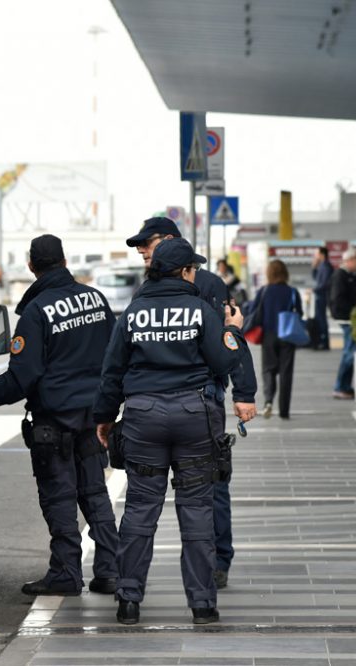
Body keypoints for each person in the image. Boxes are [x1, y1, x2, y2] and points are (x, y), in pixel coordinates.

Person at [94, 238, 249, 626]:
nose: (196, 275)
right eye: (193, 269)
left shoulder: (133, 313)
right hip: (194, 414)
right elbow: (223, 359)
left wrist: (105, 417)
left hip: (143, 416)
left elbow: (112, 370)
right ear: (183, 272)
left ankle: (128, 601)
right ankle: (202, 605)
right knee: (196, 510)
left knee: (140, 510)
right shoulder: (200, 310)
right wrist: (233, 330)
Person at [0, 235, 120, 596]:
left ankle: (66, 573)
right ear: (64, 262)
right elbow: (115, 357)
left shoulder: (37, 311)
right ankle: (110, 570)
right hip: (93, 416)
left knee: (60, 496)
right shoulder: (95, 299)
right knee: (95, 494)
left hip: (55, 421)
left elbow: (23, 376)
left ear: (32, 266)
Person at [126, 216, 257, 591]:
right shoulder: (146, 291)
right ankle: (194, 589)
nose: (141, 251)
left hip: (203, 398)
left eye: (146, 243)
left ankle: (218, 560)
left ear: (167, 241)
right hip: (165, 406)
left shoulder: (208, 285)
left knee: (209, 487)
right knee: (161, 497)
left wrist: (244, 394)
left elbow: (233, 339)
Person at [246, 259, 302, 420]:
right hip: (288, 336)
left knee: (268, 370)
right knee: (286, 373)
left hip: (269, 336)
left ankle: (268, 401)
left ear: (269, 273)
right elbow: (300, 312)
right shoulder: (292, 291)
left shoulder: (264, 291)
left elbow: (252, 310)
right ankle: (284, 411)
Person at [329, 248, 356, 399]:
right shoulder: (340, 275)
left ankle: (345, 386)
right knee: (349, 353)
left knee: (350, 351)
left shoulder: (349, 275)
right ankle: (340, 386)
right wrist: (352, 311)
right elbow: (339, 298)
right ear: (350, 260)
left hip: (347, 317)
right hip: (346, 318)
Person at [311, 247, 333, 350]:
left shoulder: (326, 267)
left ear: (322, 254)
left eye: (317, 254)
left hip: (322, 296)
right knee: (319, 319)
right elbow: (316, 279)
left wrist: (314, 290)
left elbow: (324, 283)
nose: (315, 256)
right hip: (319, 295)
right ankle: (320, 341)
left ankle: (324, 342)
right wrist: (314, 268)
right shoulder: (322, 266)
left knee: (321, 319)